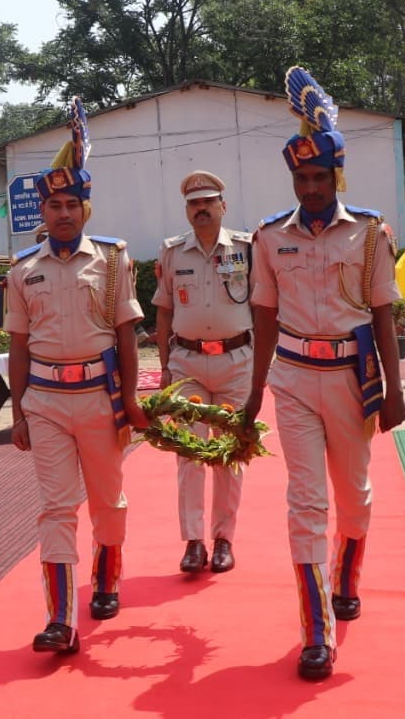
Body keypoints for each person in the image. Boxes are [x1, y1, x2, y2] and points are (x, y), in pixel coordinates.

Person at [242, 67, 405, 681]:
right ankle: (316, 631)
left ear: (336, 176)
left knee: (354, 499)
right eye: (301, 177)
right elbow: (263, 319)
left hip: (352, 379)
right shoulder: (268, 237)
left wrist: (394, 389)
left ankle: (347, 575)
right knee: (305, 502)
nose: (310, 187)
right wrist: (254, 391)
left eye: (319, 177)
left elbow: (384, 314)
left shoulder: (369, 234)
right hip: (292, 379)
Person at [5, 98, 149, 655]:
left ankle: (108, 578)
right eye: (53, 205)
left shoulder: (113, 262)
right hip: (44, 400)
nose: (62, 213)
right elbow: (18, 346)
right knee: (56, 506)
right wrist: (18, 410)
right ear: (41, 211)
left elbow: (126, 335)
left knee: (108, 502)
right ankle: (60, 619)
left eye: (71, 204)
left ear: (85, 208)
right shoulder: (23, 271)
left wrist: (131, 397)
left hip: (99, 399)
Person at [152, 170, 253, 574]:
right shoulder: (173, 252)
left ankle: (224, 538)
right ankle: (193, 541)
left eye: (208, 202)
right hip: (187, 364)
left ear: (222, 206)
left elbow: (264, 305)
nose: (201, 209)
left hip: (236, 362)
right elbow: (164, 310)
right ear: (187, 210)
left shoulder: (247, 248)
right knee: (190, 454)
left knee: (231, 454)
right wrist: (163, 367)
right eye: (194, 204)